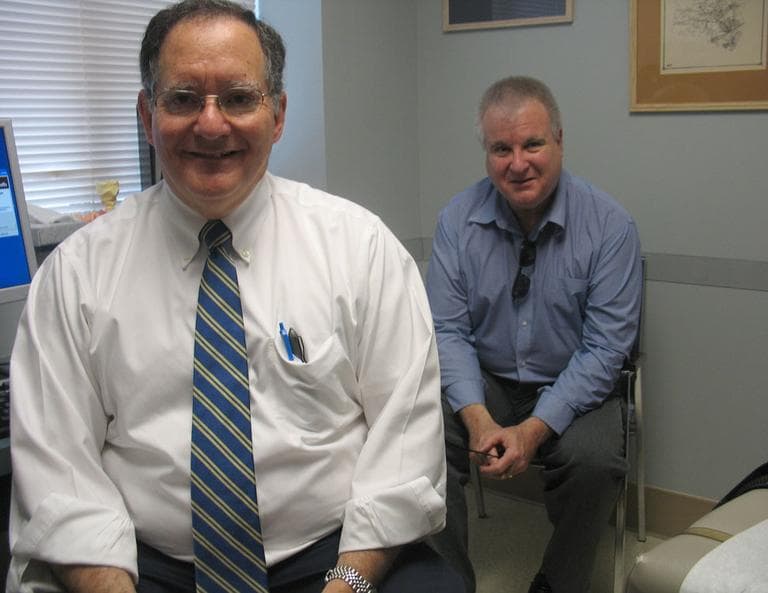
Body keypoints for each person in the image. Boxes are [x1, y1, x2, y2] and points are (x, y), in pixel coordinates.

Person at [6, 2, 464, 592]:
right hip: (141, 563)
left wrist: (348, 582)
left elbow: (405, 443)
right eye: (182, 99)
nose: (211, 124)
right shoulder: (75, 275)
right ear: (147, 115)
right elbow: (59, 476)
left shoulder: (361, 250)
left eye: (239, 98)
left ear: (277, 115)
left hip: (335, 553)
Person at [425, 76, 642, 593]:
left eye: (533, 144)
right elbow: (447, 331)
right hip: (489, 382)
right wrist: (478, 419)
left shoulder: (610, 227)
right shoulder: (457, 221)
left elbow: (605, 350)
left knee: (594, 461)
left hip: (577, 386)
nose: (518, 163)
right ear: (486, 153)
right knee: (421, 431)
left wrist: (534, 429)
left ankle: (557, 583)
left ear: (560, 141)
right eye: (501, 149)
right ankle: (446, 581)